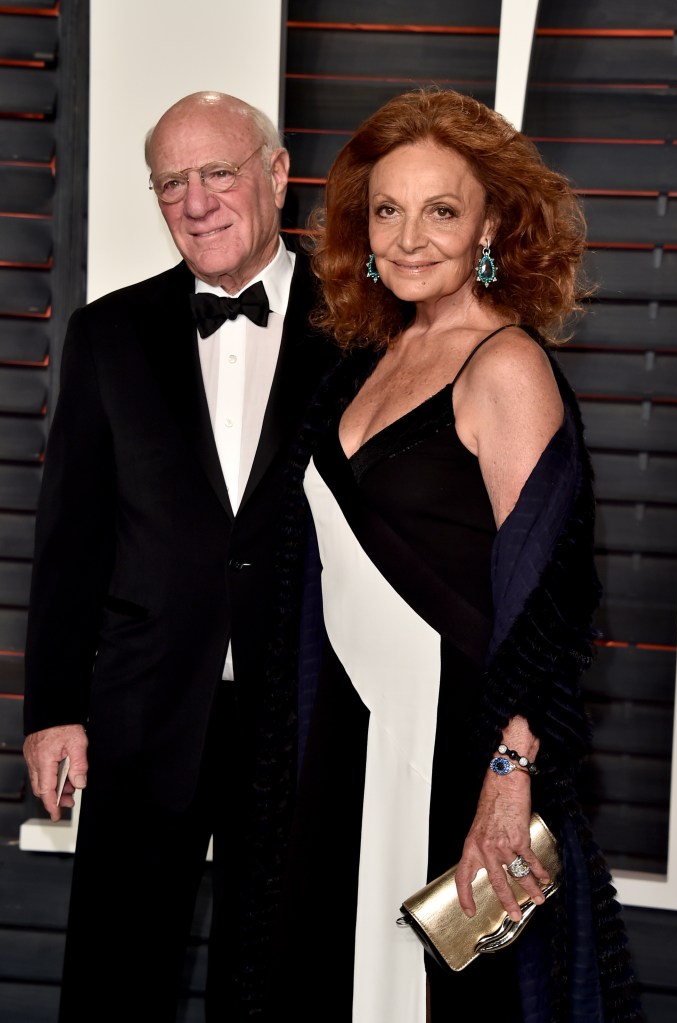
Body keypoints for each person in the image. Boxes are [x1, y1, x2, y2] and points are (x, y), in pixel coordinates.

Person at [263, 88, 645, 1022]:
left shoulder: (505, 363)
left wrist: (509, 780)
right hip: (348, 732)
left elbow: (549, 598)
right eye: (387, 210)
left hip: (455, 746)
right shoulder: (367, 362)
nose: (408, 238)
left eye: (441, 210)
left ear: (491, 225)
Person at [21, 90, 336, 1022]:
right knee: (116, 978)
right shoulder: (107, 334)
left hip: (303, 713)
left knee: (274, 979)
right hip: (142, 708)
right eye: (170, 183)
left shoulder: (363, 330)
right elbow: (71, 539)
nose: (195, 203)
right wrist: (53, 709)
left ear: (277, 173)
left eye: (218, 172)